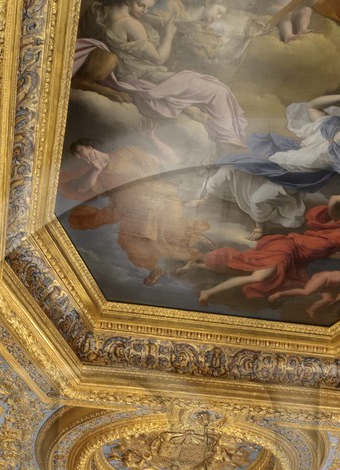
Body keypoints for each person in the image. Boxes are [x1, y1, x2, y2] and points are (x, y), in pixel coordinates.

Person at [80, 0, 249, 147]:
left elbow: (150, 19)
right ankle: (227, 136)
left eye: (147, 7)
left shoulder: (110, 14)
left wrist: (180, 25)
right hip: (146, 74)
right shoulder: (131, 24)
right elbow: (159, 59)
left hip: (135, 74)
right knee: (218, 89)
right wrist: (169, 35)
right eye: (142, 5)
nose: (144, 11)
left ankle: (222, 132)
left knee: (208, 87)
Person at [61, 139, 213, 284]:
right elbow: (82, 188)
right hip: (128, 206)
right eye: (78, 156)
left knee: (170, 226)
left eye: (80, 151)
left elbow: (160, 161)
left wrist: (155, 141)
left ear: (89, 147)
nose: (81, 157)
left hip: (151, 194)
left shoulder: (125, 153)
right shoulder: (92, 171)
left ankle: (196, 237)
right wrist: (96, 169)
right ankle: (155, 268)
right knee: (129, 241)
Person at [197, 201, 340, 306]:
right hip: (286, 248)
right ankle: (209, 292)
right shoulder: (336, 224)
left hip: (294, 258)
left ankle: (197, 266)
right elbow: (335, 199)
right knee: (258, 277)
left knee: (245, 267)